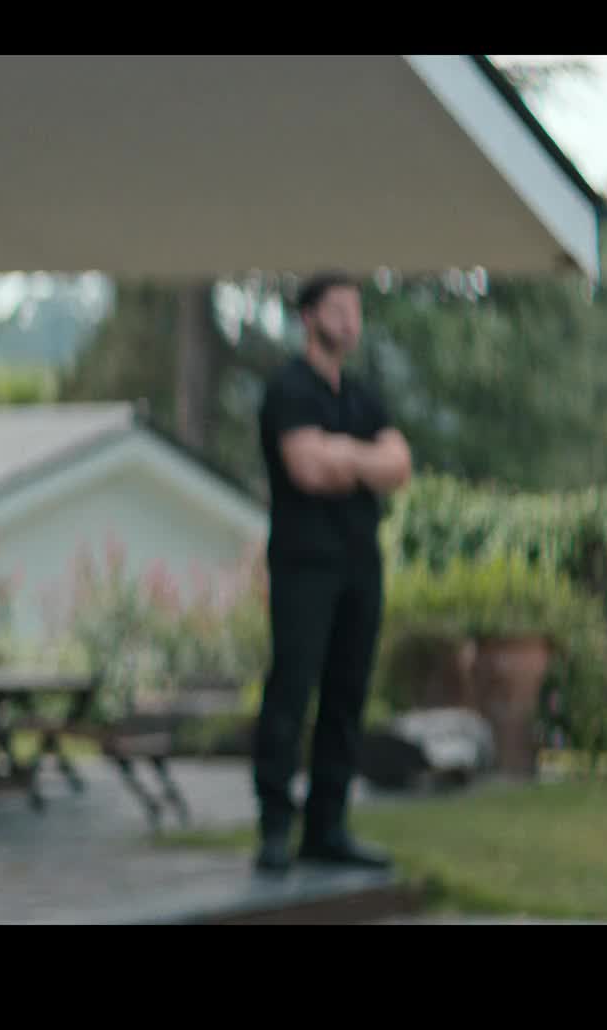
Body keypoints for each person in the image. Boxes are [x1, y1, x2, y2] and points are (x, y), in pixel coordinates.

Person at [253, 270, 413, 873]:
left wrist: (340, 451)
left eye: (355, 309)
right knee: (292, 690)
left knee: (346, 696)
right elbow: (307, 469)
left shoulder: (363, 397)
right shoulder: (288, 390)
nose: (349, 320)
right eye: (337, 308)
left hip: (359, 566)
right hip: (303, 567)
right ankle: (275, 826)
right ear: (309, 317)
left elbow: (398, 467)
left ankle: (328, 828)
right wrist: (359, 459)